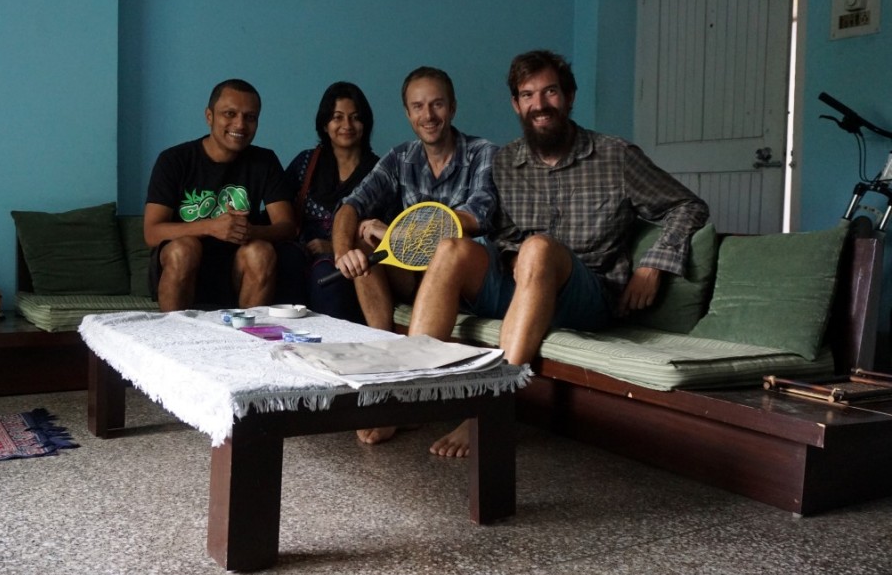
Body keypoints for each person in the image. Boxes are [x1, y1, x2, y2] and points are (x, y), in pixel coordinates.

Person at [410, 50, 710, 457]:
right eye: (528, 95)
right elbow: (503, 231)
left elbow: (687, 206)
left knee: (539, 248)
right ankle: (404, 396)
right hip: (521, 286)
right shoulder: (505, 163)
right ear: (516, 104)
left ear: (569, 97)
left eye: (550, 91)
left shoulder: (615, 155)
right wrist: (514, 255)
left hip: (587, 294)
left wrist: (655, 262)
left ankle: (492, 406)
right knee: (451, 249)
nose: (540, 104)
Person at [331, 66, 499, 445]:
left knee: (441, 249)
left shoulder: (484, 153)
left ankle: (400, 400)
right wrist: (344, 253)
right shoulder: (400, 157)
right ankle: (383, 381)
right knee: (362, 253)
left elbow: (475, 218)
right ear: (407, 113)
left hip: (465, 278)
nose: (429, 115)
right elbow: (349, 208)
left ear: (453, 107)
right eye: (418, 106)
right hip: (413, 273)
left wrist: (393, 231)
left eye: (437, 104)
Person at [145, 78, 297, 311]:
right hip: (183, 268)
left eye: (250, 117)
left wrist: (250, 230)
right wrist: (211, 227)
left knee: (260, 251)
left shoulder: (264, 161)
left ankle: (247, 342)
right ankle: (174, 340)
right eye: (230, 114)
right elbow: (152, 232)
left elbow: (287, 226)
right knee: (184, 249)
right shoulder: (174, 160)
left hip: (239, 269)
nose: (240, 124)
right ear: (209, 116)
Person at [282, 81, 380, 322]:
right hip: (299, 254)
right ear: (325, 124)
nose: (347, 125)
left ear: (365, 123)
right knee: (285, 257)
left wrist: (336, 247)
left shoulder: (381, 171)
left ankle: (336, 349)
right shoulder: (306, 163)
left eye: (355, 117)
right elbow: (279, 210)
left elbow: (384, 230)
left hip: (350, 263)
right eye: (338, 117)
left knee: (327, 273)